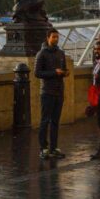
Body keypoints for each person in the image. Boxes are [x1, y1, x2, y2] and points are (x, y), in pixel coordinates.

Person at [35, 28, 68, 159]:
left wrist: (65, 72)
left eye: (57, 37)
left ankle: (54, 147)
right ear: (48, 38)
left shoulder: (61, 53)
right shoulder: (41, 54)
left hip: (59, 91)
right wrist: (55, 72)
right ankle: (43, 148)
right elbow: (37, 73)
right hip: (47, 92)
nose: (56, 39)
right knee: (45, 121)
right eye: (53, 37)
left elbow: (64, 69)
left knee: (55, 121)